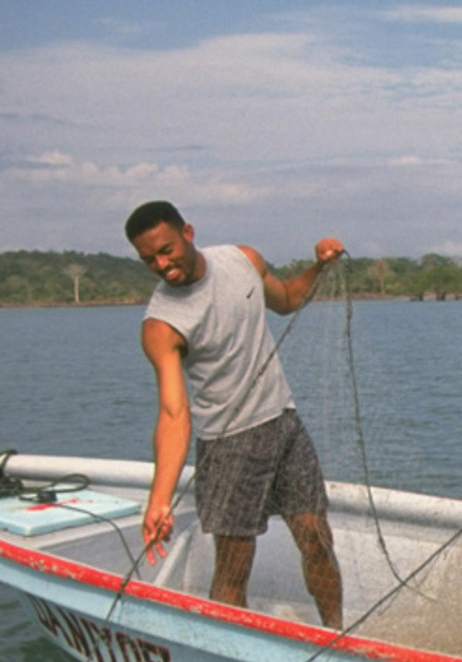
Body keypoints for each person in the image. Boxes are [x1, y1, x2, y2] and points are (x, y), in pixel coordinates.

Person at [125, 200, 344, 629]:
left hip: (283, 425)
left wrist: (319, 267)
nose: (162, 265)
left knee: (316, 538)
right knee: (233, 566)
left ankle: (336, 634)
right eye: (149, 259)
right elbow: (173, 413)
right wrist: (159, 499)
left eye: (167, 250)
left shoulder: (242, 261)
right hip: (228, 446)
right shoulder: (161, 325)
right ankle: (228, 646)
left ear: (188, 233)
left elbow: (287, 300)